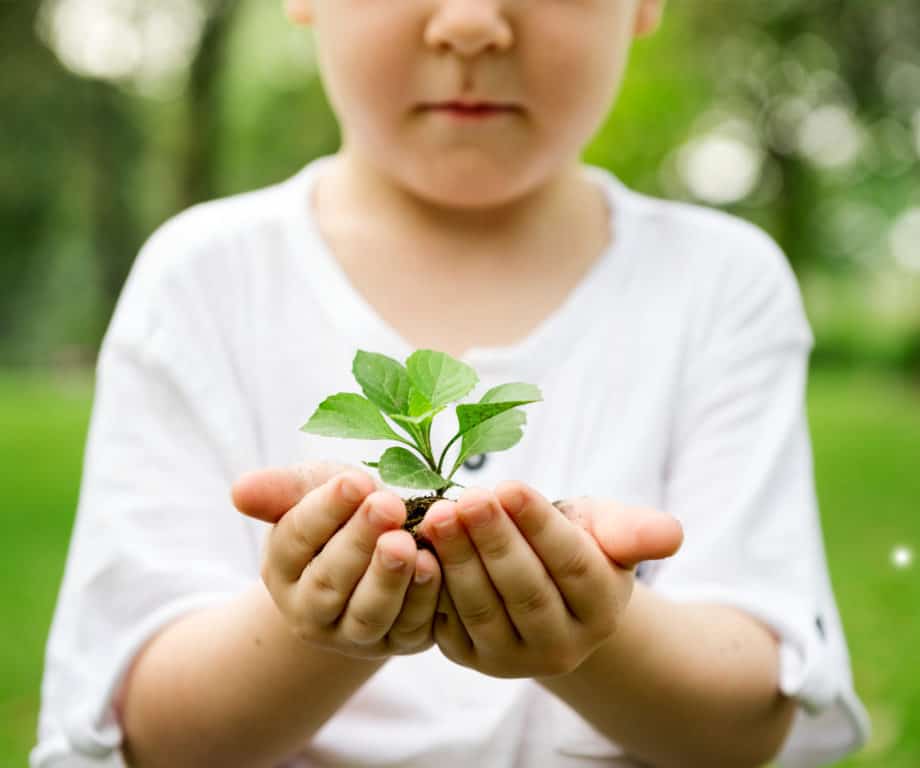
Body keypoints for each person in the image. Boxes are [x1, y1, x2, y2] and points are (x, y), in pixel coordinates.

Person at [31, 0, 871, 766]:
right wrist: (312, 627)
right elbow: (147, 733)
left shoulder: (720, 284)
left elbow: (749, 719)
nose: (471, 23)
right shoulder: (203, 281)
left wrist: (596, 628)